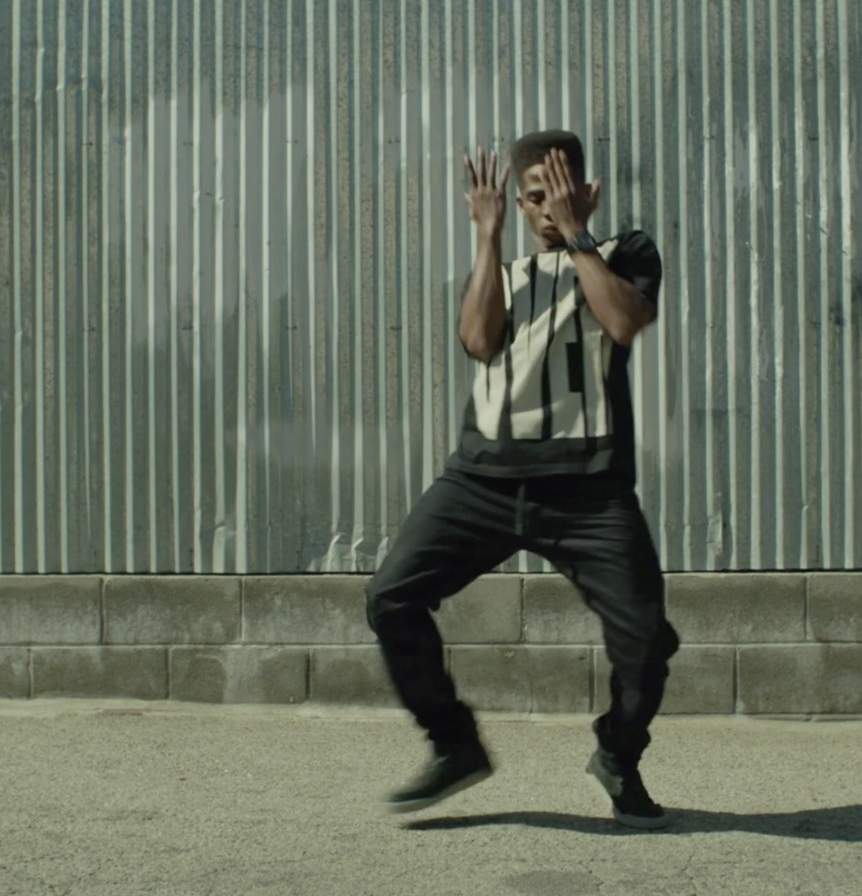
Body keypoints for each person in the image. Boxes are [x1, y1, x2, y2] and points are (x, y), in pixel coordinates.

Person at [365, 129, 679, 830]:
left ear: (587, 193)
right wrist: (485, 237)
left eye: (560, 196)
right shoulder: (500, 273)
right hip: (481, 481)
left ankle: (619, 755)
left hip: (589, 491)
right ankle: (455, 745)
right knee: (390, 599)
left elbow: (624, 324)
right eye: (533, 198)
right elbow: (478, 341)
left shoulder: (625, 253)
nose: (546, 209)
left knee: (648, 643)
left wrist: (576, 235)